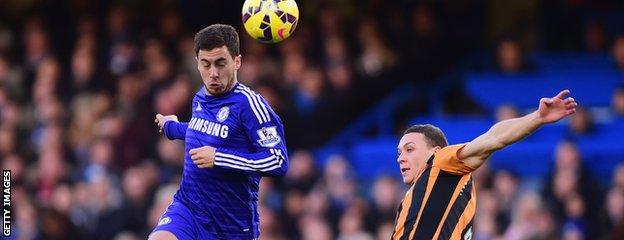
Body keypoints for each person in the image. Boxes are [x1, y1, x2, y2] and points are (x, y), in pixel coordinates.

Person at [149, 24, 289, 240]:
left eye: (220, 63)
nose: (213, 73)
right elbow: (205, 132)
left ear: (237, 61)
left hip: (231, 225)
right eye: (206, 64)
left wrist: (219, 157)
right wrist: (172, 127)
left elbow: (278, 161)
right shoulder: (200, 97)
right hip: (189, 208)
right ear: (197, 63)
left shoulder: (251, 106)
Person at [392, 89, 577, 240]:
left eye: (409, 149)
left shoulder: (441, 163)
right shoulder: (420, 197)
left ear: (435, 151)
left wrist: (537, 117)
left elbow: (493, 138)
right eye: (399, 152)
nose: (400, 158)